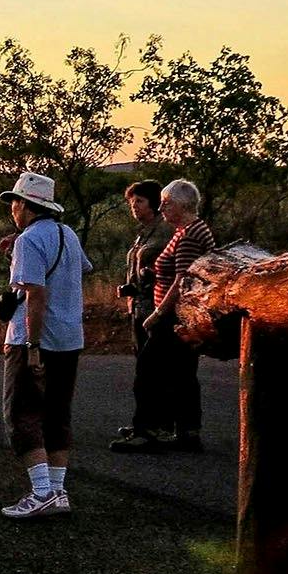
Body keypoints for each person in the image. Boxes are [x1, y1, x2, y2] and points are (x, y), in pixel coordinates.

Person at [0, 172, 90, 519]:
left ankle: (41, 492)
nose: (12, 210)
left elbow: (35, 294)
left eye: (14, 203)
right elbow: (81, 269)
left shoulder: (29, 241)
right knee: (57, 413)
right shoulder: (67, 234)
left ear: (24, 205)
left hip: (32, 339)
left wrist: (33, 346)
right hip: (69, 338)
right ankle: (57, 490)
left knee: (21, 413)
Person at [114, 179, 215, 454]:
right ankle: (185, 432)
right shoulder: (186, 230)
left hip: (173, 315)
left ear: (181, 205)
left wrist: (158, 314)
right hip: (179, 313)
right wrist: (154, 274)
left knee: (148, 372)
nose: (162, 208)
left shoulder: (189, 234)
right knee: (181, 374)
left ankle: (146, 431)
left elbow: (182, 279)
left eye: (166, 203)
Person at [109, 181, 170, 444]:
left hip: (155, 307)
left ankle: (151, 427)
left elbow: (168, 269)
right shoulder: (143, 232)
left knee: (152, 370)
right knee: (145, 369)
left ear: (154, 202)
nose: (134, 207)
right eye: (132, 202)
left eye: (140, 201)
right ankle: (149, 424)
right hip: (139, 306)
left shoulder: (165, 230)